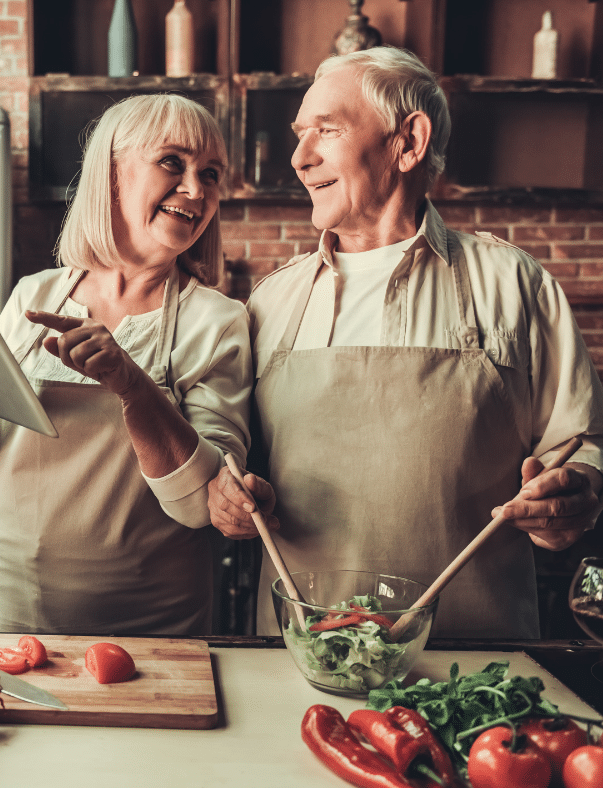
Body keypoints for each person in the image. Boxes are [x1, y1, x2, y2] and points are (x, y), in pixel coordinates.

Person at [207, 46, 603, 639]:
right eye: (299, 134)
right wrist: (226, 496)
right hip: (302, 659)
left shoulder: (515, 283)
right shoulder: (271, 302)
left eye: (326, 131)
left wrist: (574, 496)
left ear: (408, 141)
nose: (299, 157)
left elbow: (583, 443)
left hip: (480, 658)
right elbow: (231, 458)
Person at [0, 94, 252, 635]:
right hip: (3, 603)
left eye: (210, 174)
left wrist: (132, 385)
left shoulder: (217, 321)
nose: (196, 189)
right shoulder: (34, 294)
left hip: (148, 623)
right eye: (172, 163)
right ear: (111, 173)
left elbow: (202, 504)